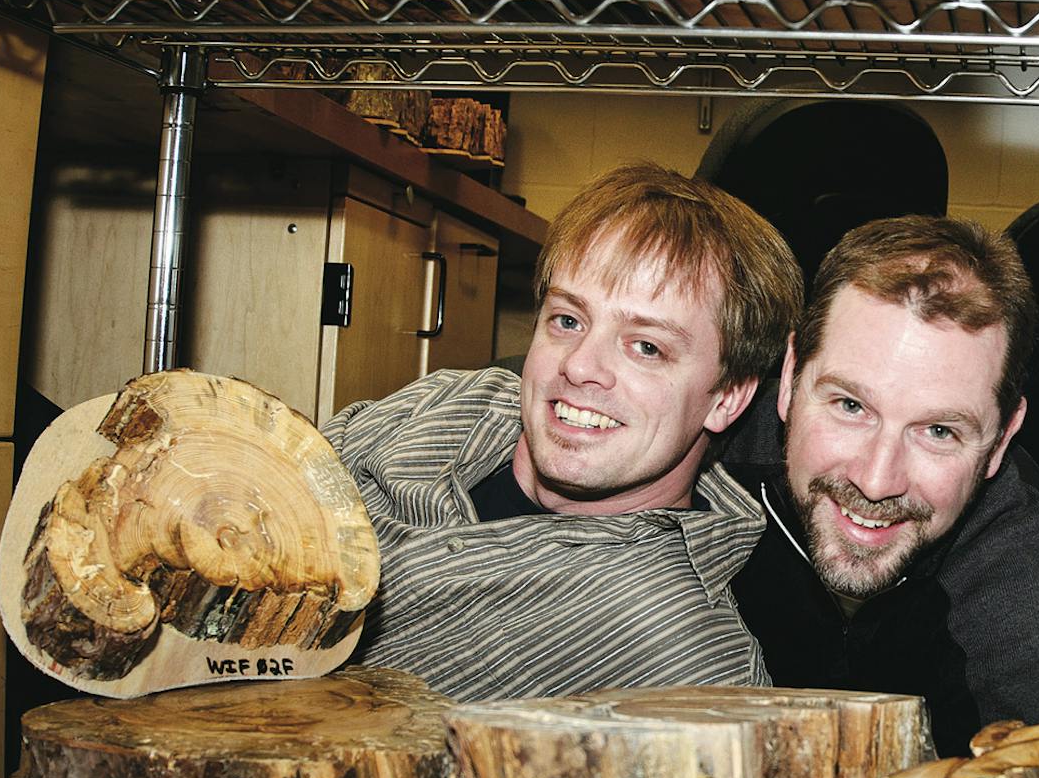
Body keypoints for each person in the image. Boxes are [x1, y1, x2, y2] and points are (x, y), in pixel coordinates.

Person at [324, 161, 804, 701]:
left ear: (727, 397)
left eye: (646, 347)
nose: (579, 366)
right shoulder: (448, 403)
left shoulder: (686, 668)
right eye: (568, 320)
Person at [724, 216, 1039, 755]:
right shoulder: (701, 467)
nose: (876, 481)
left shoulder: (1026, 583)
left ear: (1001, 440)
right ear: (789, 378)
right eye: (850, 405)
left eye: (938, 431)